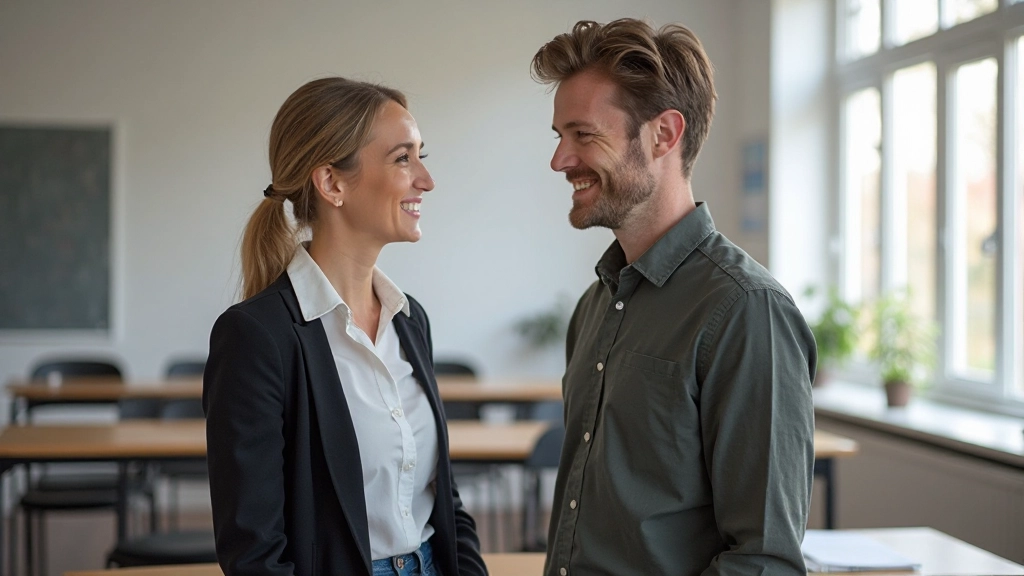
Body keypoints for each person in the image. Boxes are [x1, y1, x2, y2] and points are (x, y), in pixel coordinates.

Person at [532, 19, 817, 576]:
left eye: (583, 135)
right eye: (558, 136)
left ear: (664, 134)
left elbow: (764, 562)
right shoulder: (595, 305)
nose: (560, 160)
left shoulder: (746, 311)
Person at [203, 77, 487, 576]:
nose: (426, 179)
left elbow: (442, 495)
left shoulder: (409, 318)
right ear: (332, 183)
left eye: (423, 156)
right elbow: (253, 554)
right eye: (403, 159)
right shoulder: (256, 337)